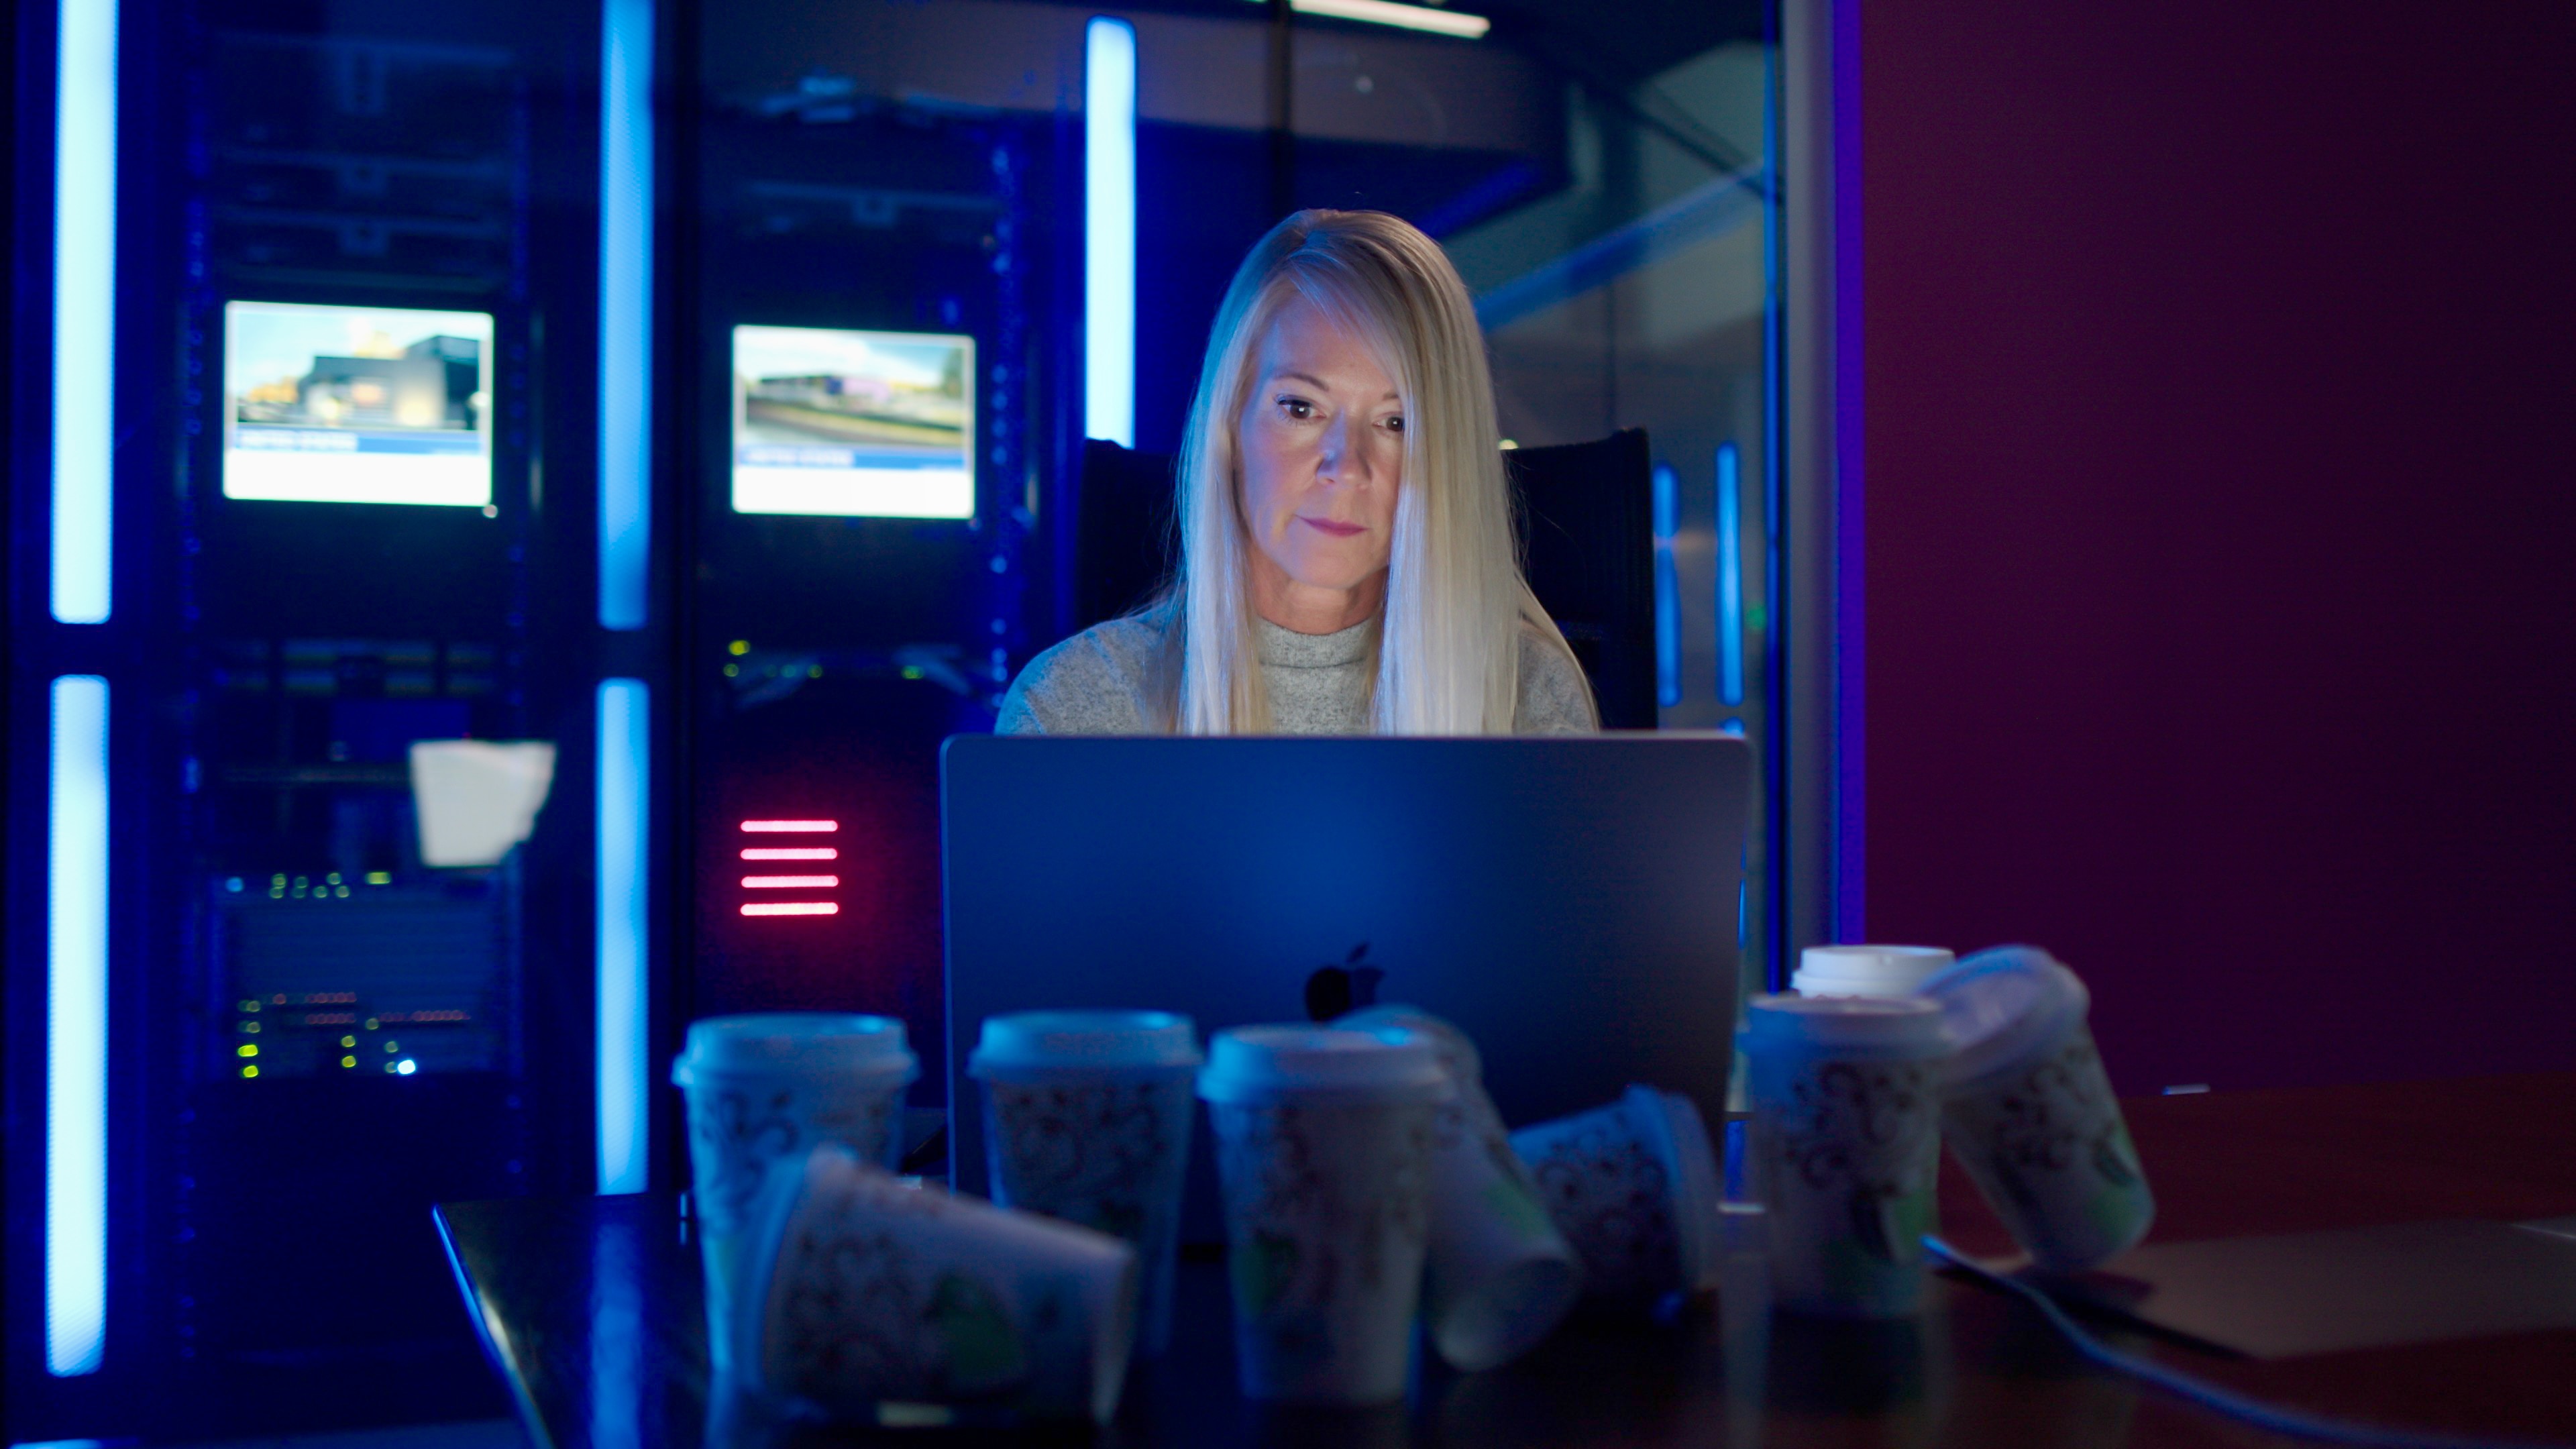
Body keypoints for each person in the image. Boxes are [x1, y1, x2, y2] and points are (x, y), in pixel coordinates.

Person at [998, 209, 1597, 735]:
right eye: (1300, 408)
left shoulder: (1528, 701)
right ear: (1229, 423)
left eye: (1398, 423)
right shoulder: (1072, 710)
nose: (1348, 468)